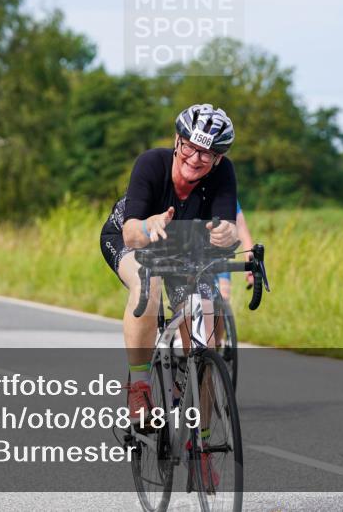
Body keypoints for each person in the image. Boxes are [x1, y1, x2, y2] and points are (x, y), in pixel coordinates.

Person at [100, 103, 239, 425]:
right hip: (132, 238)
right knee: (147, 282)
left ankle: (200, 439)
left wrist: (226, 233)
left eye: (207, 154)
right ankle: (139, 386)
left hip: (182, 249)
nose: (195, 158)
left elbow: (227, 227)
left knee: (206, 320)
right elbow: (131, 233)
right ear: (177, 140)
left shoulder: (223, 173)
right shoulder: (151, 163)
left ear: (218, 158)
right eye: (189, 147)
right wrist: (149, 224)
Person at [215, 201, 254, 301]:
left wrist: (251, 265)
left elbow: (243, 232)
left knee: (223, 301)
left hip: (219, 261)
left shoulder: (227, 197)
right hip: (186, 261)